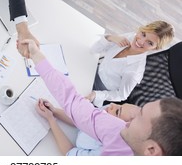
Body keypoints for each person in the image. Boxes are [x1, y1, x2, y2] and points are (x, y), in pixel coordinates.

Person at [19, 38, 182, 155]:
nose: (128, 119)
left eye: (139, 117)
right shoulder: (120, 130)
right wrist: (36, 55)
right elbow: (75, 103)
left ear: (151, 150)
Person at [86, 21, 174, 107]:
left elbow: (122, 95)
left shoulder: (133, 71)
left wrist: (96, 94)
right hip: (92, 71)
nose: (141, 42)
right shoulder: (131, 37)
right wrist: (110, 37)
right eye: (143, 34)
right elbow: (94, 49)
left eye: (150, 43)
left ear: (155, 48)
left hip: (98, 90)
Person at [36, 100, 140, 155]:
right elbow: (82, 120)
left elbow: (69, 153)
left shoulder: (104, 152)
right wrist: (54, 111)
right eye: (120, 105)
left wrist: (51, 120)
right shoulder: (108, 112)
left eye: (117, 112)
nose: (111, 104)